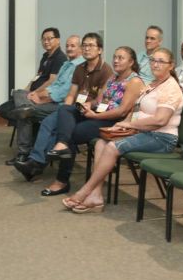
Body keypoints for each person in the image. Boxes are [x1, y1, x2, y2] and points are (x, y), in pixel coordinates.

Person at [62, 47, 183, 213]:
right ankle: (96, 196)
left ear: (171, 65)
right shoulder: (152, 84)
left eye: (160, 61)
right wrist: (121, 124)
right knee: (101, 143)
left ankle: (85, 191)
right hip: (143, 132)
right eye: (153, 60)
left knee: (112, 147)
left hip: (161, 138)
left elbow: (160, 120)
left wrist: (130, 125)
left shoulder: (171, 88)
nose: (155, 64)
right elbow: (135, 111)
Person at [21, 47, 144, 195]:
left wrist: (95, 116)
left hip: (113, 122)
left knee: (70, 132)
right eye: (115, 57)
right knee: (65, 109)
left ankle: (61, 181)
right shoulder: (113, 77)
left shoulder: (134, 81)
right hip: (97, 113)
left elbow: (122, 111)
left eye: (121, 58)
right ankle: (61, 145)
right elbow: (99, 100)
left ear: (131, 62)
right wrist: (88, 105)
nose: (116, 60)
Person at [12, 33, 112, 183]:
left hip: (92, 112)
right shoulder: (79, 68)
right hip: (74, 108)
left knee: (59, 129)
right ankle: (34, 161)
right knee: (48, 122)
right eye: (84, 45)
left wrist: (84, 108)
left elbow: (101, 100)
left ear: (100, 50)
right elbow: (71, 95)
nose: (86, 49)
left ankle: (36, 164)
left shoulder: (106, 70)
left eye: (91, 45)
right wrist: (64, 111)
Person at [10, 36, 83, 169]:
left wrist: (41, 97)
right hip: (52, 101)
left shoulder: (79, 66)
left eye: (73, 46)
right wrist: (37, 95)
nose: (69, 48)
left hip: (62, 105)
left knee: (25, 113)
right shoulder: (66, 64)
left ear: (80, 48)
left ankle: (25, 154)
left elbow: (64, 92)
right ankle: (31, 159)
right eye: (67, 46)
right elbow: (54, 85)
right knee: (19, 94)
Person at [0, 28, 67, 164]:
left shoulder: (60, 58)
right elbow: (37, 77)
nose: (46, 42)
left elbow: (51, 81)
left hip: (44, 99)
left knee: (24, 113)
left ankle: (24, 152)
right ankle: (23, 106)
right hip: (33, 96)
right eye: (44, 39)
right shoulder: (45, 56)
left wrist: (35, 93)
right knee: (8, 106)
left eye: (49, 38)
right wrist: (25, 91)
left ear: (58, 40)